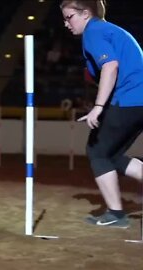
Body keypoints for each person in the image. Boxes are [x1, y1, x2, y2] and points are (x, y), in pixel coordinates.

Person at [60, 0, 143, 228]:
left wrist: (98, 107)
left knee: (97, 151)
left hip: (131, 99)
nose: (66, 24)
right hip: (138, 100)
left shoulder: (93, 32)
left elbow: (111, 66)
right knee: (111, 154)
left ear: (85, 14)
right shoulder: (108, 29)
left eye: (69, 17)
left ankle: (116, 214)